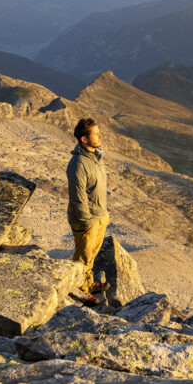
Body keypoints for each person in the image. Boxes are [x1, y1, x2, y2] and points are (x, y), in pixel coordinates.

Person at [67, 117, 109, 291]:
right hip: (87, 220)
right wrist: (86, 222)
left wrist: (104, 215)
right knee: (82, 258)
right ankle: (82, 291)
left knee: (90, 255)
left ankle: (88, 283)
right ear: (84, 139)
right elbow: (78, 197)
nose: (100, 136)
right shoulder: (78, 164)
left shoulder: (96, 158)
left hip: (100, 217)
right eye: (96, 134)